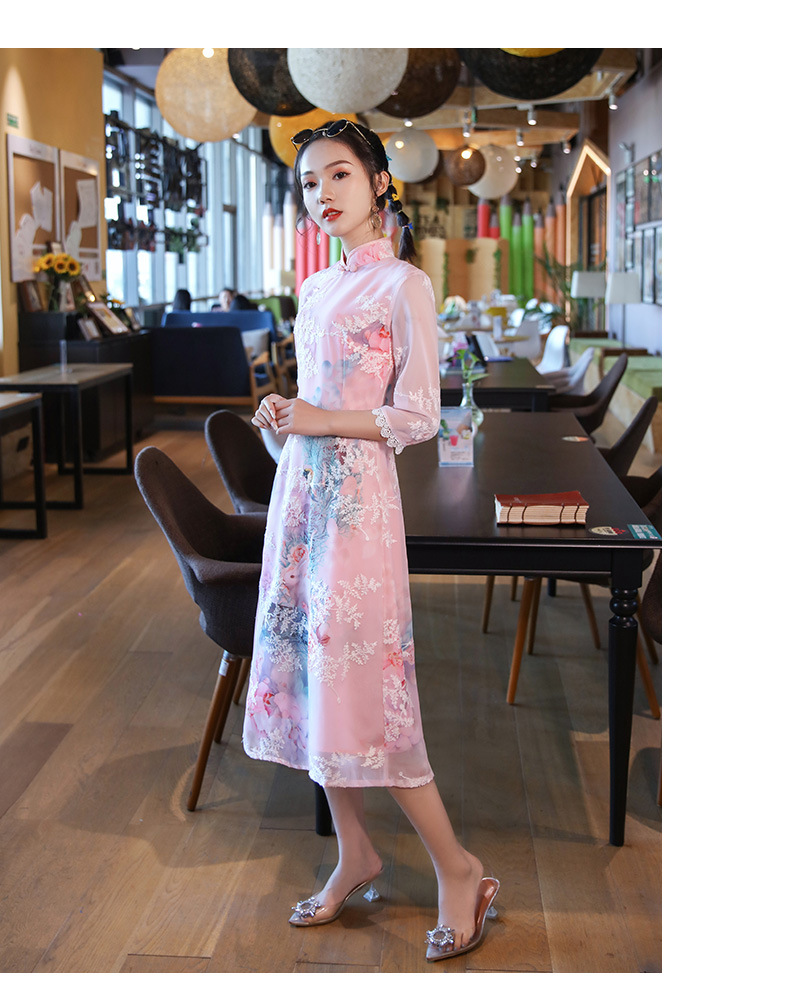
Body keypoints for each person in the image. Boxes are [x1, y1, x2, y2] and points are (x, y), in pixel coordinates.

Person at [245, 118, 499, 963]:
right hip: (301, 502)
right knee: (315, 683)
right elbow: (313, 411)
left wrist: (319, 418)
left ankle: (458, 868)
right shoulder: (316, 289)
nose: (322, 194)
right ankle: (355, 852)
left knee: (372, 696)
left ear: (380, 182)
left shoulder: (404, 285)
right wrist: (282, 421)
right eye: (309, 181)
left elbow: (419, 417)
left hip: (360, 512)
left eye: (339, 175)